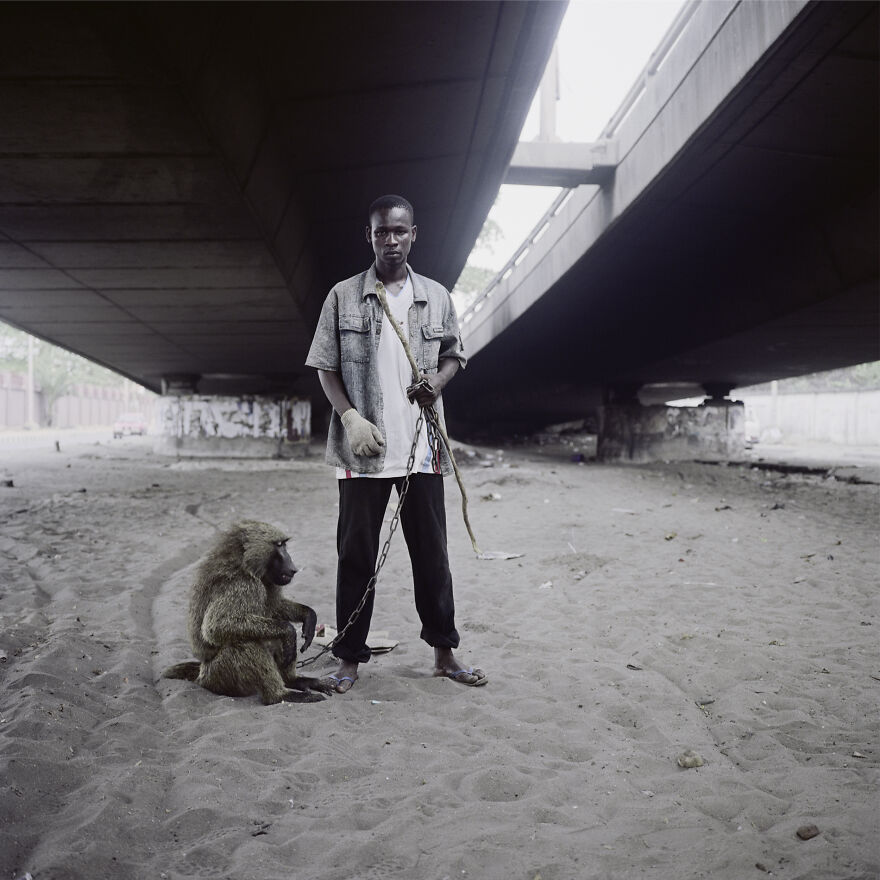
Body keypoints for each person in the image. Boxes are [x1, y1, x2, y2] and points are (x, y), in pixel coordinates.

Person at [305, 194, 487, 693]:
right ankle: (348, 659)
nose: (391, 240)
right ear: (370, 236)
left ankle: (445, 653)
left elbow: (454, 355)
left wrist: (438, 380)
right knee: (355, 558)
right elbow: (325, 365)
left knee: (432, 557)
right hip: (363, 455)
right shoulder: (342, 296)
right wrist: (350, 419)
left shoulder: (436, 295)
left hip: (422, 451)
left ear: (414, 234)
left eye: (400, 231)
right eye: (382, 231)